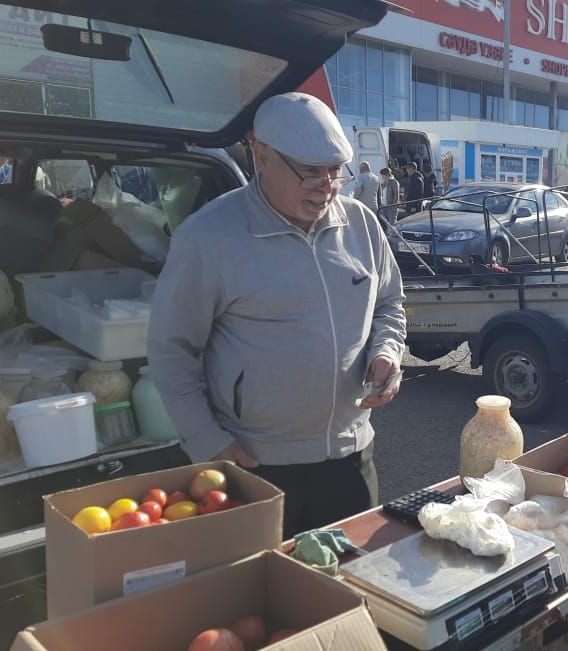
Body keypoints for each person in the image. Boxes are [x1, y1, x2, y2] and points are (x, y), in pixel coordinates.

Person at [148, 92, 407, 539]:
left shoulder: (362, 225)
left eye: (334, 171)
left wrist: (387, 351)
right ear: (261, 156)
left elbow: (389, 304)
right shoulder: (208, 238)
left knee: (350, 590)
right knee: (267, 600)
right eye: (309, 170)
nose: (326, 184)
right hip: (256, 466)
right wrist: (209, 442)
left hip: (351, 460)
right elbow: (172, 351)